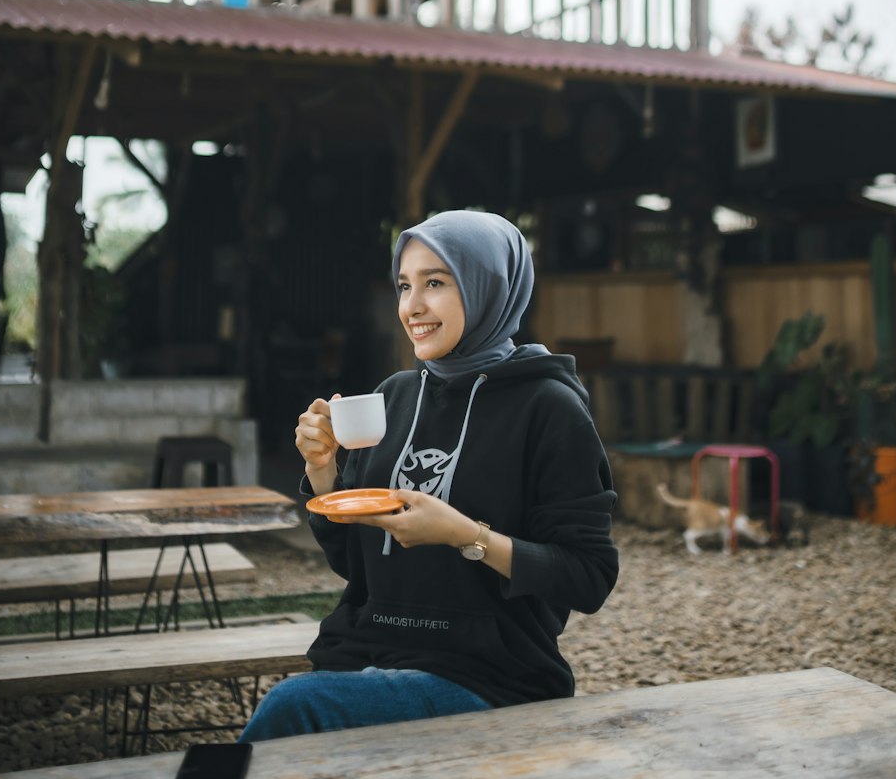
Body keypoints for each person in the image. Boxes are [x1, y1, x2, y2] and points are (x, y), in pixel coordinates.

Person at [241, 209, 618, 741]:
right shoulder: (395, 395)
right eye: (403, 285)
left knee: (294, 708)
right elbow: (355, 562)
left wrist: (467, 536)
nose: (411, 307)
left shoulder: (549, 408)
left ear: (487, 286)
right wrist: (323, 471)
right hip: (367, 649)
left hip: (491, 675)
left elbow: (589, 576)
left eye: (435, 283)